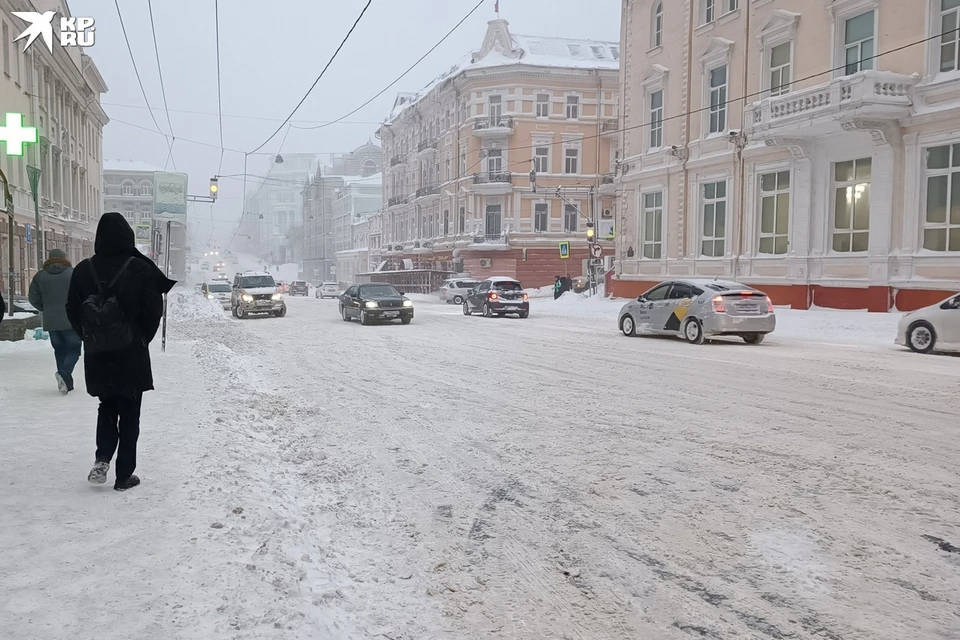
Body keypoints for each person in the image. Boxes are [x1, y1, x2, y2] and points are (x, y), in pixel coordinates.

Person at [66, 212, 176, 492]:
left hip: (98, 355)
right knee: (129, 412)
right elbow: (153, 310)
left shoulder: (83, 269)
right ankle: (124, 476)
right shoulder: (139, 268)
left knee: (106, 406)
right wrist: (140, 339)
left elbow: (72, 310)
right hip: (131, 354)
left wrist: (92, 338)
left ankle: (102, 458)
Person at [29, 248, 80, 393]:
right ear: (64, 258)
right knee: (74, 349)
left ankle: (66, 383)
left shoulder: (40, 276)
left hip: (51, 321)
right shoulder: (73, 274)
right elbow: (82, 294)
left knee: (59, 350)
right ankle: (63, 373)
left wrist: (45, 308)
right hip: (71, 320)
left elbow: (33, 298)